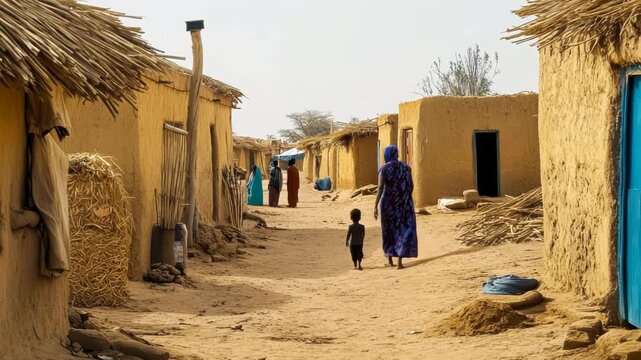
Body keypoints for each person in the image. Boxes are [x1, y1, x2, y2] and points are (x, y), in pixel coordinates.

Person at [374, 145, 418, 269]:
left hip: (389, 204)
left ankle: (390, 260)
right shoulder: (406, 168)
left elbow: (380, 188)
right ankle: (400, 261)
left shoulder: (384, 168)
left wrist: (375, 206)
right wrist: (405, 197)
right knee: (402, 230)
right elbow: (411, 185)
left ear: (387, 155)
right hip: (405, 203)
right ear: (396, 154)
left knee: (389, 230)